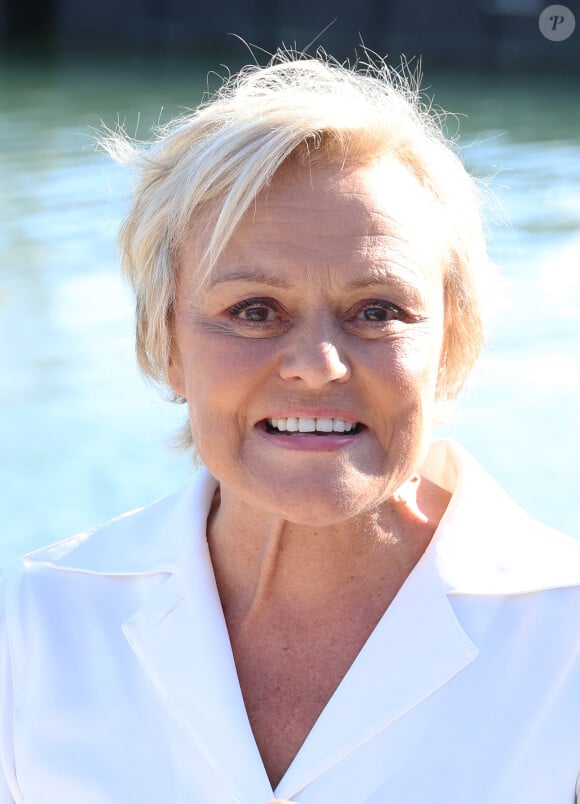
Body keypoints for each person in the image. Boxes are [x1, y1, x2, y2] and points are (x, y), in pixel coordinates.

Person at [1, 50, 579, 804]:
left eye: (377, 311)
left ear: (455, 344)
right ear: (165, 346)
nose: (316, 364)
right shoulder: (37, 626)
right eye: (252, 311)